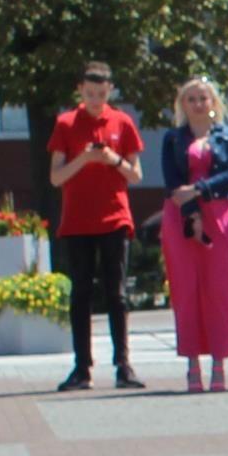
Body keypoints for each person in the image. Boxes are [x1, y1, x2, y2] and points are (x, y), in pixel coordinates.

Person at [48, 61, 147, 390]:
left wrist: (113, 159)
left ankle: (123, 364)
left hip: (114, 218)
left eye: (101, 93)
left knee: (116, 293)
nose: (95, 99)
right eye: (89, 93)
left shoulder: (122, 122)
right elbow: (56, 176)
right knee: (81, 293)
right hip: (78, 221)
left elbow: (135, 174)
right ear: (80, 90)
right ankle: (82, 367)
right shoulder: (66, 123)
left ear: (109, 91)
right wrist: (84, 159)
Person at [157, 79, 228, 395]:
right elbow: (171, 180)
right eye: (191, 99)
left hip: (219, 216)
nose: (197, 104)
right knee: (186, 291)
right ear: (182, 105)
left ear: (213, 103)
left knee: (219, 289)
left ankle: (219, 364)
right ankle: (192, 364)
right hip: (180, 215)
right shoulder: (172, 139)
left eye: (203, 98)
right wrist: (190, 209)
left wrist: (199, 190)